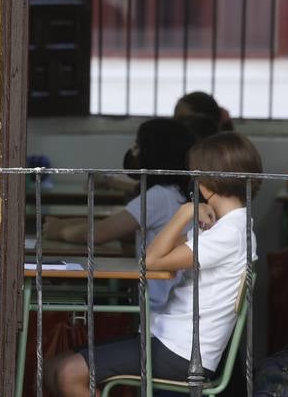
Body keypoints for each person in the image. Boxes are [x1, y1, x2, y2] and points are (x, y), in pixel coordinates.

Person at [47, 132, 262, 397]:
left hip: (179, 352)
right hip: (172, 342)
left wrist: (182, 214)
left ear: (208, 183)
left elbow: (151, 261)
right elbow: (164, 256)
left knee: (66, 373)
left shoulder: (230, 231)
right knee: (54, 369)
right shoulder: (231, 227)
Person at [42, 117, 194, 313]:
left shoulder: (158, 196)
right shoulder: (173, 193)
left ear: (154, 154)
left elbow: (97, 234)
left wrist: (58, 231)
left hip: (156, 305)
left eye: (138, 146)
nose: (134, 152)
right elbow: (115, 225)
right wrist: (64, 224)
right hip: (159, 298)